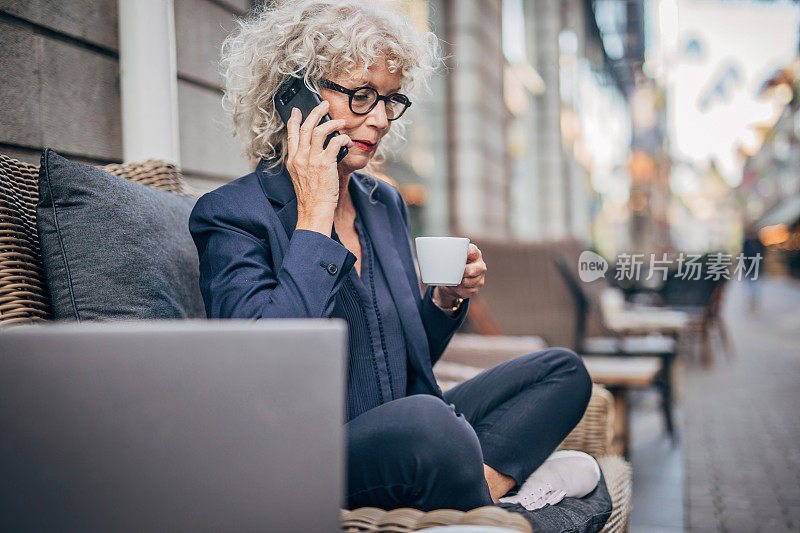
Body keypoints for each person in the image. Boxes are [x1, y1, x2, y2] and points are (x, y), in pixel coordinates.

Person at [189, 0, 605, 526]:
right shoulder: (231, 214)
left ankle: (483, 492)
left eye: (391, 100)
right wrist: (314, 216)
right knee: (430, 423)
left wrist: (445, 299)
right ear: (294, 96)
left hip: (414, 423)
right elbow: (261, 369)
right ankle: (501, 496)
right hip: (314, 453)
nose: (381, 120)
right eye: (361, 96)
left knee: (562, 370)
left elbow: (411, 359)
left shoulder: (382, 203)